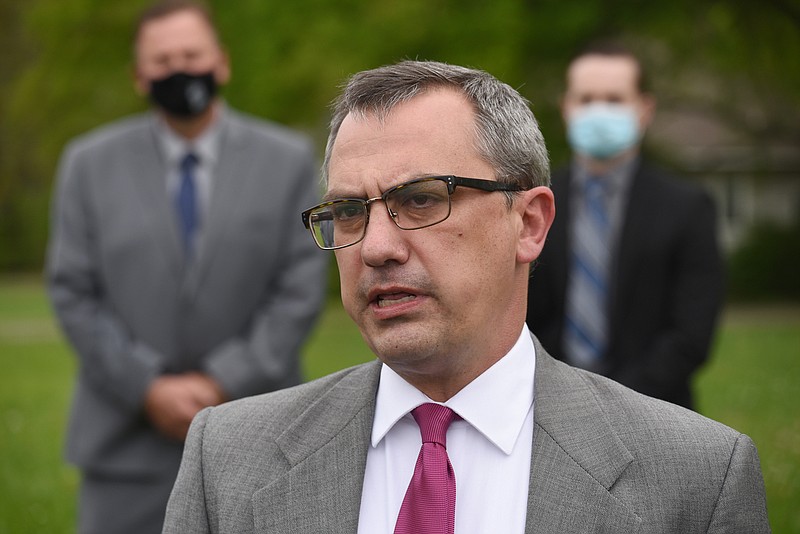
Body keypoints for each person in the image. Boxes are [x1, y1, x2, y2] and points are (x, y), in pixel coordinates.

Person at [162, 60, 768, 533]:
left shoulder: (697, 477)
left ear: (528, 223)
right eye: (349, 211)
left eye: (421, 199)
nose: (376, 247)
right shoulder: (227, 460)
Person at [45, 1, 327, 532]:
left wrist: (222, 381)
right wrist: (147, 386)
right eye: (161, 59)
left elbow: (298, 289)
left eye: (191, 53)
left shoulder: (288, 159)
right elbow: (72, 291)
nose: (179, 69)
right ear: (138, 75)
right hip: (123, 448)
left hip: (259, 434)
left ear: (221, 61)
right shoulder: (88, 164)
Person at [526, 41, 725, 409]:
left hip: (655, 410)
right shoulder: (534, 204)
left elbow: (691, 334)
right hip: (546, 405)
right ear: (567, 108)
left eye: (614, 99)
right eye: (586, 99)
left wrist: (615, 401)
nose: (598, 111)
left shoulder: (687, 207)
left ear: (644, 109)